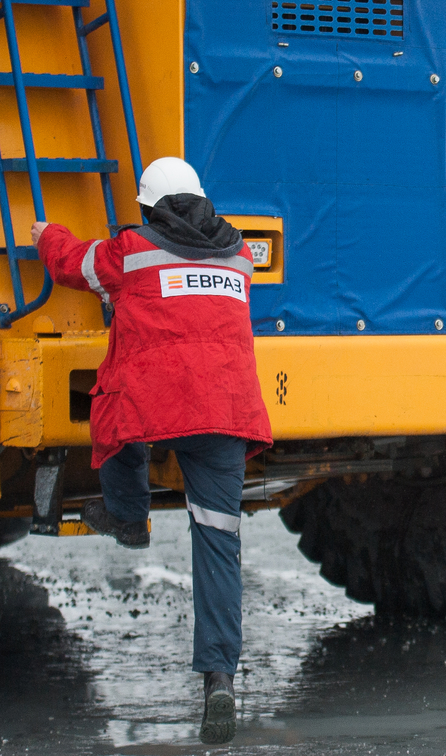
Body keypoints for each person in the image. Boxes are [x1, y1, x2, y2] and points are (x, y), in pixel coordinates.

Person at [32, 157, 272, 746]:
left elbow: (73, 264)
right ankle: (219, 680)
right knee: (218, 544)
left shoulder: (132, 251)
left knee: (112, 410)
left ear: (148, 208)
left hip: (161, 400)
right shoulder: (239, 255)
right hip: (226, 410)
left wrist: (46, 236)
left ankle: (129, 517)